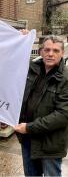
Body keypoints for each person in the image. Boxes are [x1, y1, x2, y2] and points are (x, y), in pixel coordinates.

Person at [13, 34, 68, 176]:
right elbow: (10, 64)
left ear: (62, 53)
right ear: (40, 52)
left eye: (56, 51)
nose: (50, 54)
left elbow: (62, 115)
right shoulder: (31, 70)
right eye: (47, 49)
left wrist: (29, 127)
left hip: (50, 144)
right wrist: (21, 41)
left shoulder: (65, 79)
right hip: (28, 140)